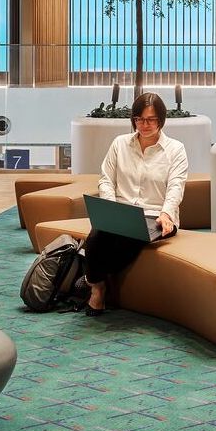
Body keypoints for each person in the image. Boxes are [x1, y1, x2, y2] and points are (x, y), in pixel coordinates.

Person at [82, 91, 188, 316]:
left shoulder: (175, 150)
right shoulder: (120, 144)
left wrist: (167, 214)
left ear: (161, 120)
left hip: (156, 216)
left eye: (151, 120)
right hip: (121, 211)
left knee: (129, 237)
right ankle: (97, 284)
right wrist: (110, 208)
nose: (144, 125)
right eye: (139, 119)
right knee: (95, 238)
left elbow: (176, 186)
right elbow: (106, 180)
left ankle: (95, 284)